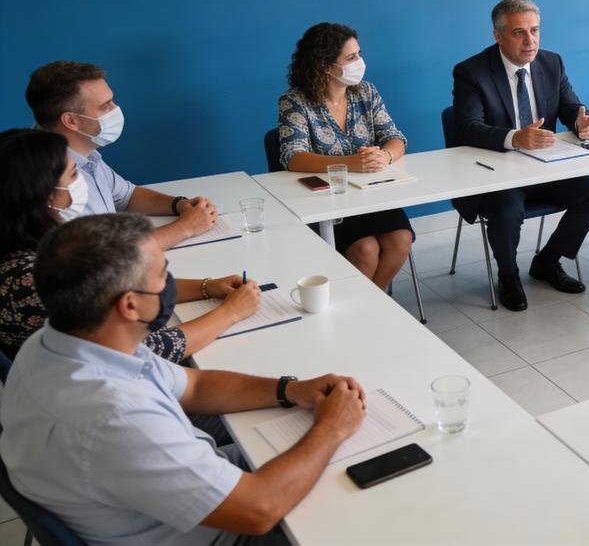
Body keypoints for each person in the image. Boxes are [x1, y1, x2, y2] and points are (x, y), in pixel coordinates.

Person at [0, 213, 366, 544]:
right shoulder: (114, 416)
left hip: (185, 488)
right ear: (130, 304)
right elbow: (259, 509)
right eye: (162, 274)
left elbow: (195, 386)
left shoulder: (69, 338)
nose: (171, 282)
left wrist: (291, 389)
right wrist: (331, 428)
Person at [0, 128, 261, 363]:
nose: (83, 183)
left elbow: (116, 284)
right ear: (42, 194)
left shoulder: (49, 241)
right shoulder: (31, 278)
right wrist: (231, 313)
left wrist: (207, 287)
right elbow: (148, 353)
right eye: (73, 175)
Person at [450, 0, 589, 312]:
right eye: (519, 32)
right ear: (497, 35)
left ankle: (547, 261)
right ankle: (508, 275)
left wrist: (584, 122)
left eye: (535, 30)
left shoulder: (551, 62)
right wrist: (515, 138)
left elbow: (571, 107)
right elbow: (467, 128)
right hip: (496, 171)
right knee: (507, 209)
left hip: (544, 166)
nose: (530, 41)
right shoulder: (472, 71)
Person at [26, 60, 218, 250]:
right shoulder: (52, 178)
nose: (116, 109)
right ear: (71, 121)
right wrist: (186, 227)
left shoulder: (84, 153)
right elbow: (106, 256)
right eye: (105, 106)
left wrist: (179, 204)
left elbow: (126, 196)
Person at [278, 22, 413, 291]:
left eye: (359, 54)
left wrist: (385, 156)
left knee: (401, 239)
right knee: (366, 248)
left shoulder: (366, 91)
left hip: (371, 193)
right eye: (351, 58)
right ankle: (362, 308)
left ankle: (376, 304)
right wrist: (349, 163)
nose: (360, 63)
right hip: (328, 201)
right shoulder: (295, 101)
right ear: (326, 66)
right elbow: (292, 157)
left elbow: (396, 137)